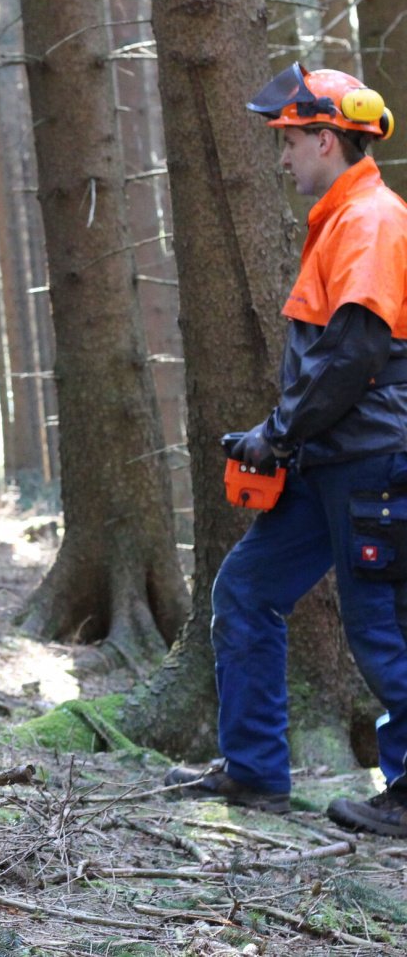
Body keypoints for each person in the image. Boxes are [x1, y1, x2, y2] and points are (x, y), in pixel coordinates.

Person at [166, 63, 407, 838]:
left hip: (371, 459)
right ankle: (255, 771)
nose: (281, 158)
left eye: (290, 141)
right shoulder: (340, 220)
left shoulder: (371, 221)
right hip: (328, 456)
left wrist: (277, 432)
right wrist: (283, 438)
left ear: (327, 139)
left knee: (383, 630)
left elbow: (354, 353)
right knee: (245, 590)